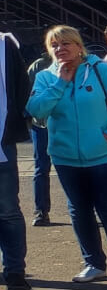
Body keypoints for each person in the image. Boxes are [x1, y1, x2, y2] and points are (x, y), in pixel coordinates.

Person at [26, 25, 107, 285]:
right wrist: (60, 83)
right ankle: (94, 263)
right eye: (54, 45)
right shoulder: (46, 77)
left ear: (79, 46)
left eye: (66, 43)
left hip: (103, 155)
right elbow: (36, 111)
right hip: (65, 158)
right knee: (79, 211)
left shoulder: (102, 72)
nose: (60, 49)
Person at [0, 27, 30, 290]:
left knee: (8, 211)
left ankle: (14, 272)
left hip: (1, 143)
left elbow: (22, 87)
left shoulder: (5, 45)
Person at [26, 52, 53, 227]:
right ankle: (41, 211)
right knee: (41, 168)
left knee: (76, 168)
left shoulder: (81, 64)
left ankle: (84, 209)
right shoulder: (39, 66)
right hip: (41, 124)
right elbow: (26, 93)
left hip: (69, 124)